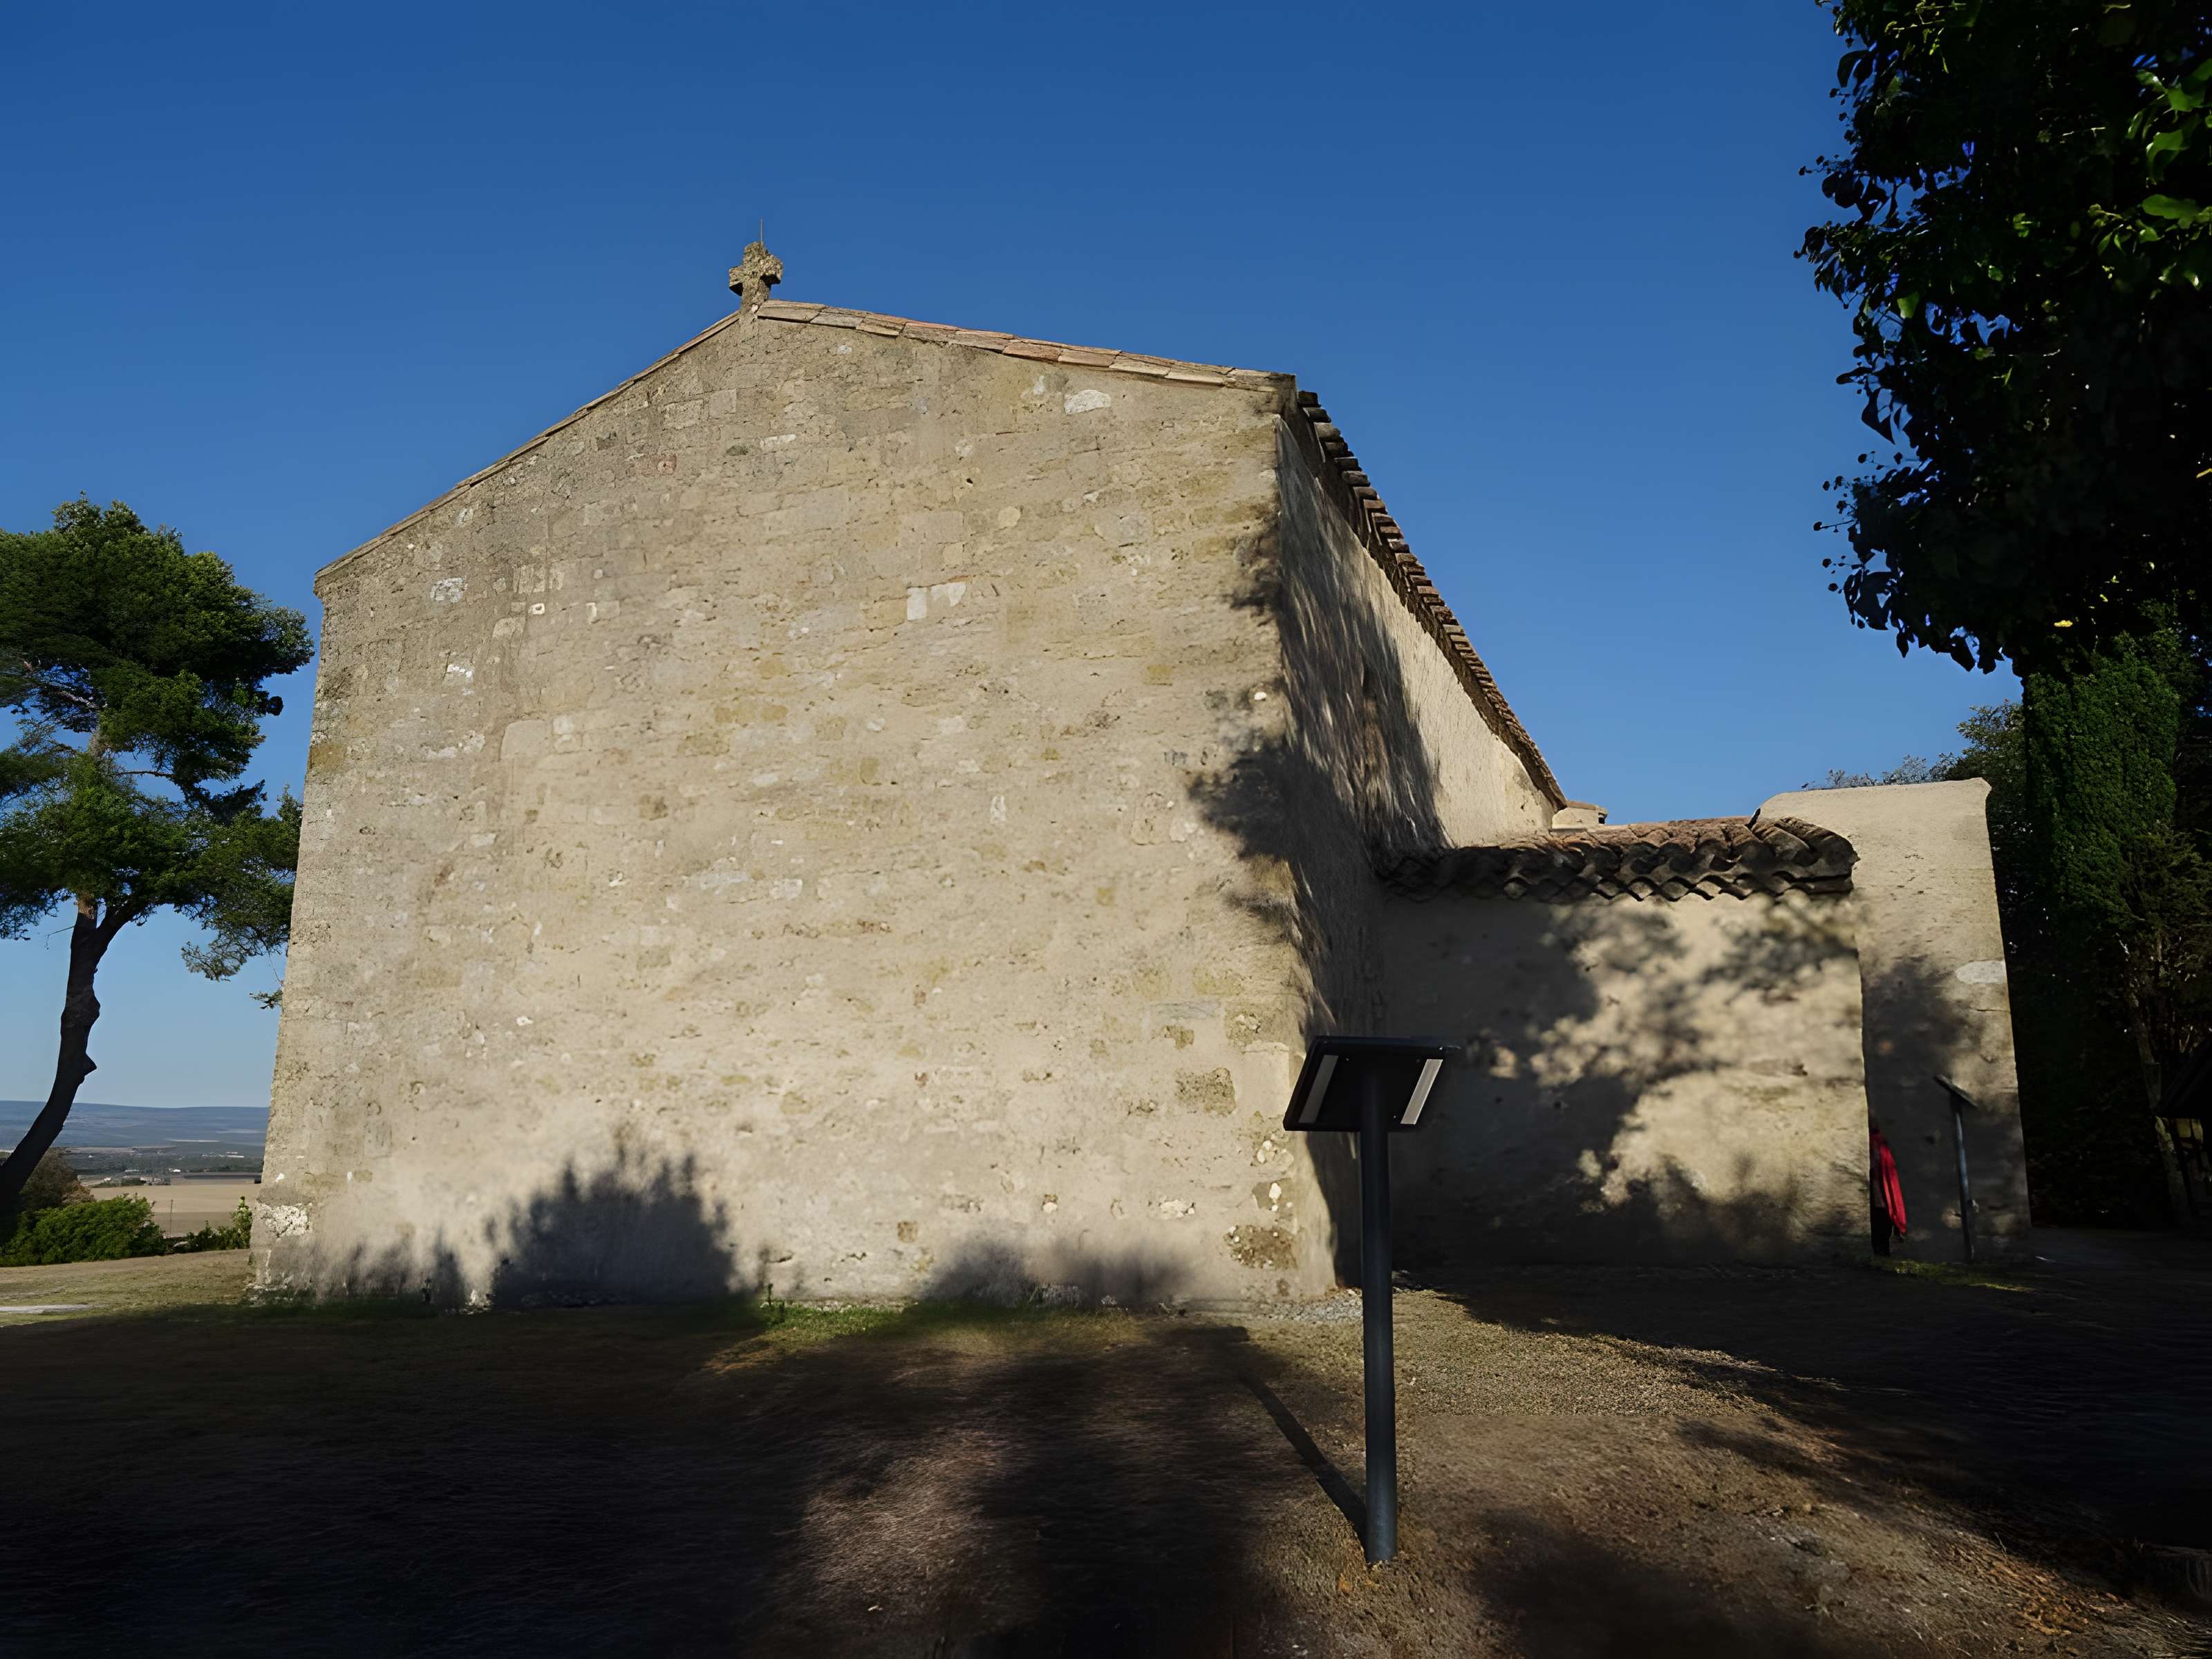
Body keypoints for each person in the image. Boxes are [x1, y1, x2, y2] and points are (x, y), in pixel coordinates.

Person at [1870, 1123, 1908, 1256]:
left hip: (1888, 1182)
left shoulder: (1884, 1141)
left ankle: (1886, 1246)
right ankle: (1882, 1248)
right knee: (1880, 1212)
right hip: (1878, 1183)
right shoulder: (1875, 1141)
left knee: (1886, 1210)